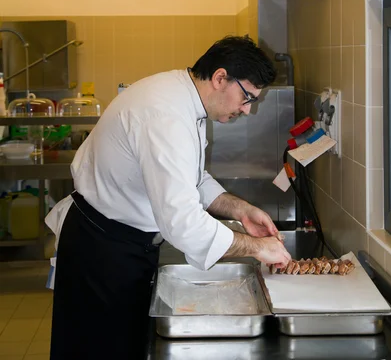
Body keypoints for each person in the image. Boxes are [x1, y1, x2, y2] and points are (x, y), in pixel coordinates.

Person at [46, 35, 291, 360]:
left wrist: (242, 210)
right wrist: (258, 247)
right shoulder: (166, 115)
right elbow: (184, 226)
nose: (246, 110)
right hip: (103, 250)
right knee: (98, 350)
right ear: (220, 78)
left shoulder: (182, 98)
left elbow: (191, 178)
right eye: (246, 98)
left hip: (118, 243)